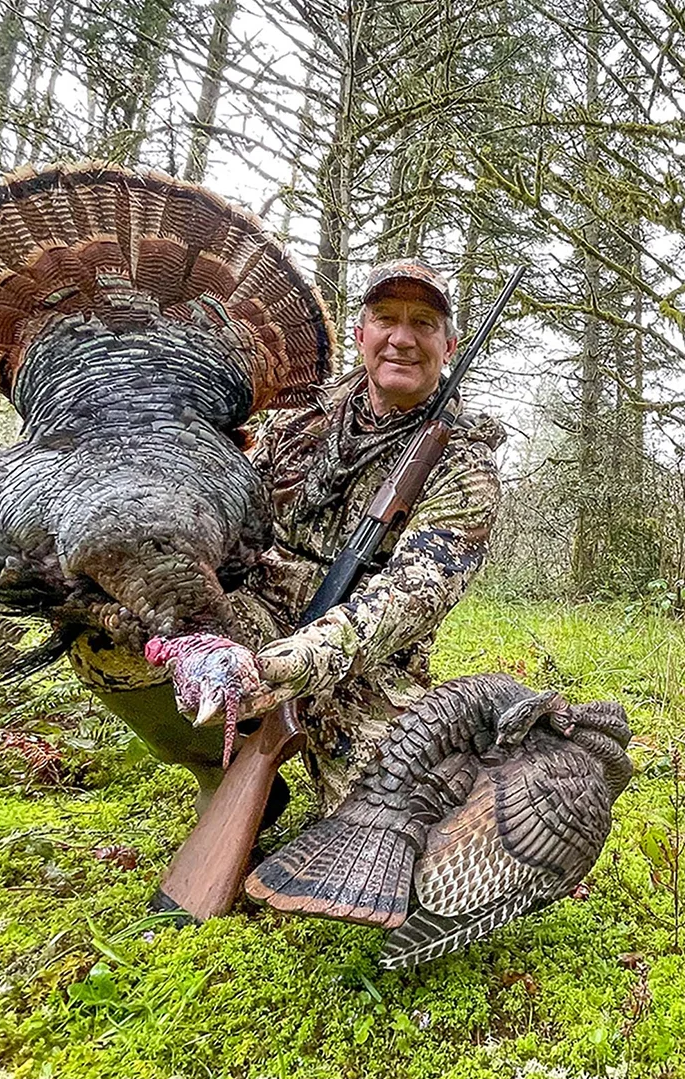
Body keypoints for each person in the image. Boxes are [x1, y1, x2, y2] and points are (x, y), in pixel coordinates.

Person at [88, 259, 505, 817]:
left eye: (424, 324)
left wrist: (284, 669)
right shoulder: (297, 421)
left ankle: (280, 749)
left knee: (389, 825)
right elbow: (234, 514)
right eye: (386, 319)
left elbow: (414, 596)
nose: (402, 339)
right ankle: (224, 769)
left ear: (448, 347)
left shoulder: (462, 467)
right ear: (361, 335)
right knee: (111, 638)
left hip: (364, 655)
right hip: (254, 611)